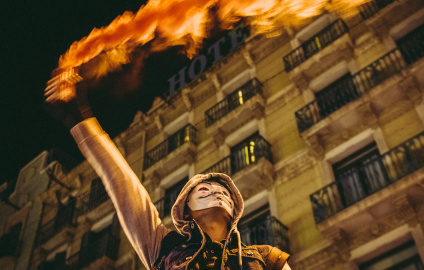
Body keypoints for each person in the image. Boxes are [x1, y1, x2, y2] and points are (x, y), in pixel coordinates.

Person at [44, 69, 291, 270]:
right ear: (186, 210)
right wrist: (78, 116)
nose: (218, 191)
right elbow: (121, 181)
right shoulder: (163, 248)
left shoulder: (266, 258)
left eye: (225, 192)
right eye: (204, 190)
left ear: (235, 208)